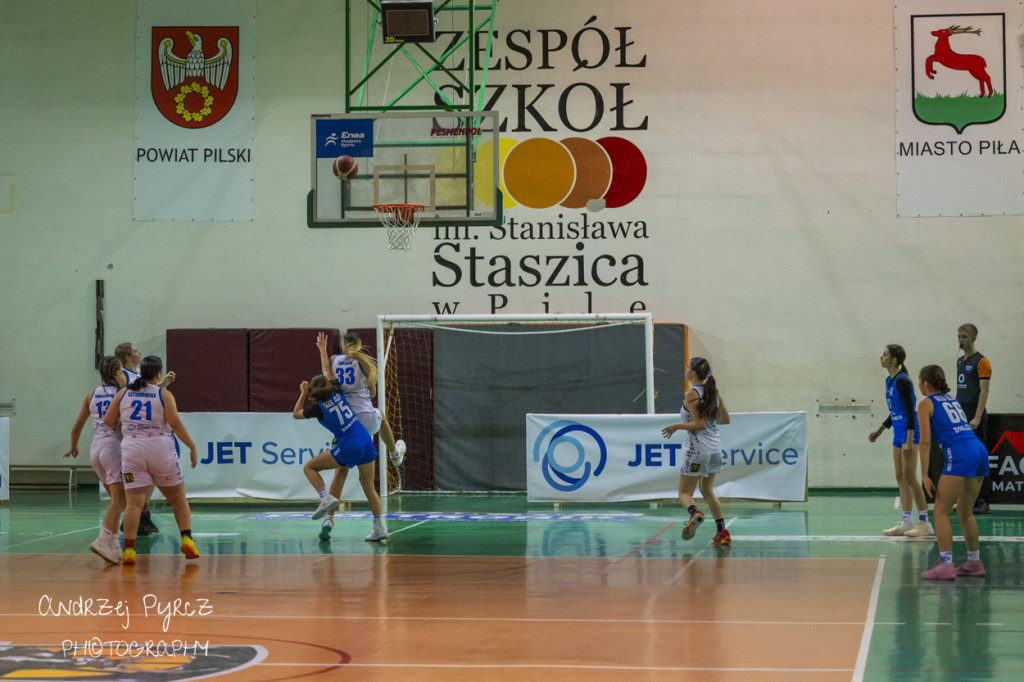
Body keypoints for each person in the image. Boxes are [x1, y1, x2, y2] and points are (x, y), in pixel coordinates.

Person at [103, 355, 199, 565]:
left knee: (134, 505)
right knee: (179, 500)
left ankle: (129, 550)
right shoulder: (164, 395)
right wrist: (191, 446)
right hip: (159, 448)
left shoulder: (123, 393)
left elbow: (108, 421)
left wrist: (130, 427)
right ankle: (187, 538)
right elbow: (175, 424)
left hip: (132, 449)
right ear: (158, 374)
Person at [315, 331, 405, 541]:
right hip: (366, 421)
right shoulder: (363, 363)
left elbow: (326, 371)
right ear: (360, 345)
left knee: (340, 475)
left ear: (343, 345)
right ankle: (395, 454)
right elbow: (373, 393)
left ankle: (329, 519)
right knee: (381, 418)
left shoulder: (334, 360)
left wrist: (321, 348)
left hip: (347, 424)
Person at [293, 375, 388, 542]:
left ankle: (325, 498)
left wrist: (302, 393)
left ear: (314, 395)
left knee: (309, 467)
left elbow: (296, 414)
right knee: (369, 487)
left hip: (349, 447)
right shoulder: (336, 390)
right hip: (365, 440)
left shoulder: (318, 409)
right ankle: (380, 527)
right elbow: (328, 372)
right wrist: (323, 349)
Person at [916, 365, 989, 579]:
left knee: (940, 512)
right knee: (965, 512)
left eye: (919, 381)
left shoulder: (925, 404)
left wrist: (924, 474)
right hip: (978, 450)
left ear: (925, 383)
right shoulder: (952, 399)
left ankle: (946, 565)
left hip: (960, 453)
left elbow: (925, 442)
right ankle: (974, 563)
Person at [661, 357, 732, 545]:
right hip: (715, 449)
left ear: (693, 373)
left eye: (687, 367)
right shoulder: (713, 392)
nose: (684, 369)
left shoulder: (691, 394)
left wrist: (677, 425)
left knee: (684, 493)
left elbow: (699, 424)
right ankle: (722, 532)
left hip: (697, 451)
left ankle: (695, 513)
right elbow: (725, 420)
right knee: (708, 490)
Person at [64, 356, 126, 564]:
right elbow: (120, 423)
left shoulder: (91, 395)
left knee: (117, 502)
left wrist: (73, 447)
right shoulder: (121, 394)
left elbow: (76, 428)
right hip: (113, 447)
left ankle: (114, 544)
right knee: (119, 501)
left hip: (95, 449)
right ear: (117, 373)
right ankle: (102, 540)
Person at [869, 345, 933, 538]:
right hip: (898, 432)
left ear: (895, 359)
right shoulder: (889, 380)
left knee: (911, 477)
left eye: (885, 354)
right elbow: (895, 410)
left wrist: (909, 439)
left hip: (909, 432)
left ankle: (925, 523)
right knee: (900, 476)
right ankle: (906, 522)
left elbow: (910, 410)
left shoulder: (902, 380)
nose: (881, 357)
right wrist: (881, 429)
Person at [113, 341, 177, 535]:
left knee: (148, 477)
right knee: (134, 483)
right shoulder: (123, 374)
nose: (139, 351)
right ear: (126, 357)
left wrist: (163, 384)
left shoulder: (139, 374)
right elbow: (133, 395)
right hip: (131, 433)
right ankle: (131, 519)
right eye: (134, 350)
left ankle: (143, 514)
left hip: (142, 435)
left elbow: (146, 394)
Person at [956, 324, 992, 515]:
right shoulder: (960, 361)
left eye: (964, 337)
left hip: (974, 417)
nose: (960, 340)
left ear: (973, 338)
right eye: (959, 336)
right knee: (963, 458)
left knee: (979, 458)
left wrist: (977, 417)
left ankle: (982, 501)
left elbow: (984, 392)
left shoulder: (982, 361)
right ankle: (966, 499)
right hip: (961, 417)